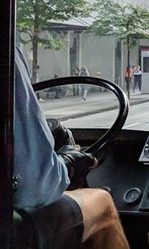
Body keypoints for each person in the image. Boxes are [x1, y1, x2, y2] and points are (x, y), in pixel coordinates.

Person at [13, 48, 130, 248]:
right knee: (103, 204)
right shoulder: (8, 53)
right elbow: (35, 186)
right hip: (10, 228)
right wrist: (68, 164)